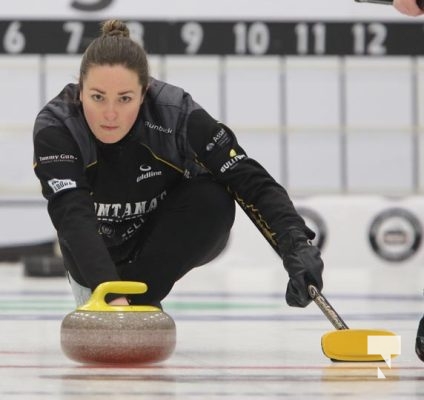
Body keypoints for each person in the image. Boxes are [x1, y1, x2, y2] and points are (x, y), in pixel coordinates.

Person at [32, 19, 324, 309]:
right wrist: (110, 294)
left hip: (160, 239)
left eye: (125, 99)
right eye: (97, 97)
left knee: (213, 199)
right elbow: (72, 214)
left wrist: (296, 245)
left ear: (144, 93)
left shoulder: (177, 115)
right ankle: (125, 299)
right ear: (80, 91)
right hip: (93, 248)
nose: (110, 114)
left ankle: (140, 297)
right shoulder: (56, 127)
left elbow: (248, 179)